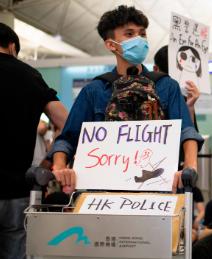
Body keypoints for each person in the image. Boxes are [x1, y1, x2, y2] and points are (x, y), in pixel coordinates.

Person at [49, 6, 203, 192]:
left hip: (158, 190)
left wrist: (190, 165)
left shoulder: (166, 86)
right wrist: (59, 165)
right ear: (111, 44)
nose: (138, 39)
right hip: (102, 191)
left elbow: (186, 131)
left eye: (142, 34)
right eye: (129, 34)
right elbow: (68, 138)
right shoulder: (94, 91)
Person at [0, 22, 68, 259]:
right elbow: (65, 120)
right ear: (11, 47)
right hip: (16, 189)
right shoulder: (28, 74)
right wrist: (50, 161)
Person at [154, 45, 200, 125]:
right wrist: (189, 106)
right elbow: (190, 133)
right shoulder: (185, 95)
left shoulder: (148, 93)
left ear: (155, 69)